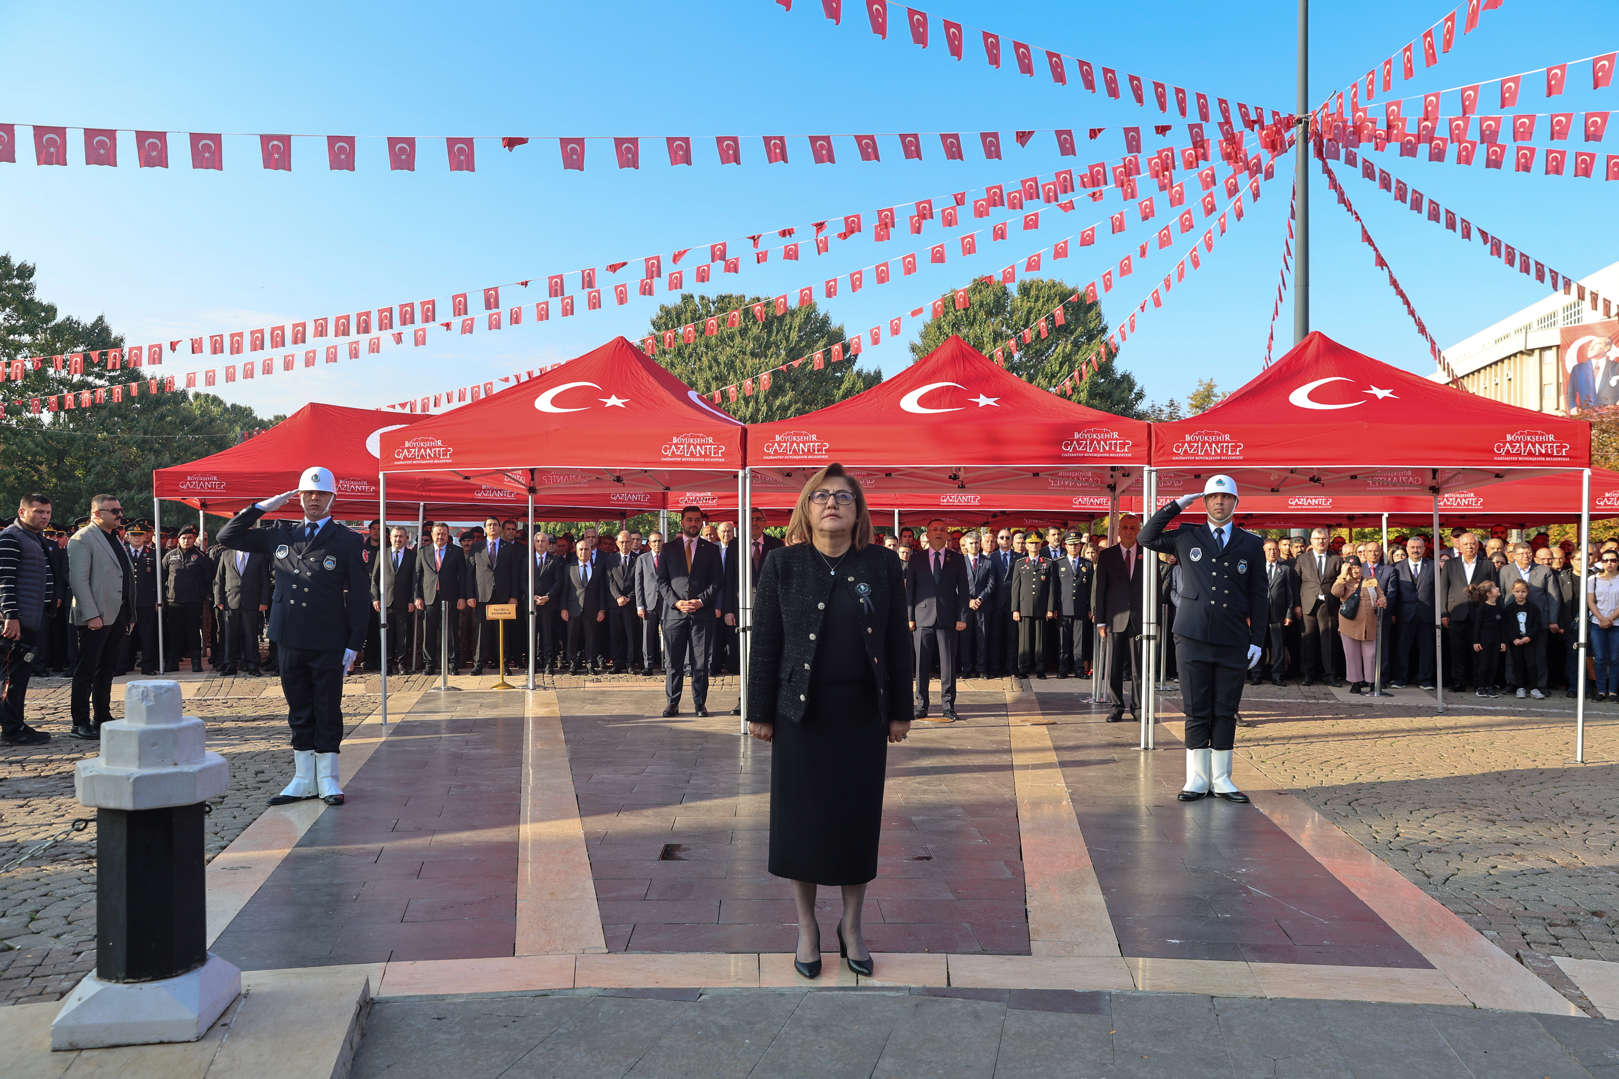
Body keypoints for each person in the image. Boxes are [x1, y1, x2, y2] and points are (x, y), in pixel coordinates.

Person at [746, 463, 911, 980]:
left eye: (843, 496)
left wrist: (901, 709)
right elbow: (766, 641)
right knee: (802, 826)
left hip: (863, 715)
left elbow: (897, 641)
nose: (832, 503)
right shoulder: (783, 564)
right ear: (806, 508)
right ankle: (807, 929)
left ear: (859, 509)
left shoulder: (882, 565)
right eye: (821, 496)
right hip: (801, 715)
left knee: (855, 823)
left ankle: (853, 926)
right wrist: (759, 712)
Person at [217, 466, 370, 807]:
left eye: (321, 494)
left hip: (328, 637)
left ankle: (328, 778)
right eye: (309, 494)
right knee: (298, 706)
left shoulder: (347, 540)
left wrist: (354, 644)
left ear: (332, 498)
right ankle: (302, 778)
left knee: (327, 707)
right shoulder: (279, 533)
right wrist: (261, 508)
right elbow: (226, 537)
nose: (315, 499)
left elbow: (360, 597)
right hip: (288, 635)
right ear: (299, 497)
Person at [1138, 476, 1265, 803]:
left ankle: (1222, 778)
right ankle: (1196, 777)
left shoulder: (1250, 544)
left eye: (1225, 497)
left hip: (1232, 637)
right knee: (1196, 708)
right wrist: (1177, 505)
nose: (1219, 502)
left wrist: (1258, 640)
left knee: (1225, 708)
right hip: (1192, 635)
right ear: (1205, 502)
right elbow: (1146, 537)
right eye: (1212, 497)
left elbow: (1259, 596)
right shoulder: (1187, 536)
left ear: (1235, 503)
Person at [66, 495, 135, 740]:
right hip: (95, 616)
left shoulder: (115, 537)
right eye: (114, 510)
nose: (119, 514)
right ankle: (80, 721)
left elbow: (124, 577)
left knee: (107, 669)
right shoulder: (83, 539)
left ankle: (102, 715)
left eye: (120, 509)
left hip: (117, 614)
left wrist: (130, 613)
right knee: (86, 669)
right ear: (96, 513)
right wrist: (91, 614)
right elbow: (78, 581)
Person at [0, 494, 56, 746]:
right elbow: (4, 581)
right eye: (38, 512)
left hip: (31, 619)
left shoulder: (33, 538)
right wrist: (10, 616)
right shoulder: (11, 538)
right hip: (16, 622)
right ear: (22, 512)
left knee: (21, 677)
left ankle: (17, 723)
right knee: (11, 677)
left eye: (47, 512)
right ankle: (12, 729)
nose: (44, 516)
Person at [659, 506, 722, 715]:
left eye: (697, 520)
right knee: (673, 662)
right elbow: (661, 581)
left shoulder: (711, 549)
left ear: (701, 522)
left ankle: (699, 703)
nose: (693, 523)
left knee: (701, 662)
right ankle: (672, 702)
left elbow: (717, 581)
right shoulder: (668, 548)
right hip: (674, 614)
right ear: (682, 522)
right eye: (689, 520)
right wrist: (676, 603)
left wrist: (701, 601)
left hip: (701, 614)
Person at [905, 518, 968, 722]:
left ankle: (948, 707)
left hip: (948, 619)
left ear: (947, 534)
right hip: (922, 619)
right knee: (921, 666)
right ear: (927, 534)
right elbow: (910, 590)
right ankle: (921, 705)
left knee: (948, 666)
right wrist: (910, 617)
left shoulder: (957, 559)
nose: (938, 532)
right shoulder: (917, 558)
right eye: (934, 529)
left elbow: (964, 591)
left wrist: (962, 617)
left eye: (942, 529)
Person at [1092, 514, 1146, 720]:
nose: (1129, 532)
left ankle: (1138, 706)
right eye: (1125, 527)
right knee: (1113, 666)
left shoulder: (1147, 553)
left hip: (1139, 619)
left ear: (1138, 530)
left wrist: (1154, 620)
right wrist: (1101, 621)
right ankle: (1116, 706)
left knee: (1138, 667)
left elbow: (1155, 588)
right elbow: (1100, 590)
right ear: (1118, 530)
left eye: (1133, 528)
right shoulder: (1108, 556)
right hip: (1114, 619)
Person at [467, 516, 520, 676]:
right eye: (489, 525)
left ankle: (504, 663)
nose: (492, 527)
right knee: (481, 632)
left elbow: (514, 574)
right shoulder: (476, 548)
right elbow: (470, 573)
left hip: (503, 596)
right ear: (484, 529)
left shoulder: (508, 548)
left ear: (500, 528)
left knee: (503, 631)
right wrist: (469, 594)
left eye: (495, 525)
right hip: (482, 595)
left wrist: (514, 596)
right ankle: (478, 664)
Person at [1440, 531, 1493, 693]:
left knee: (1478, 650)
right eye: (1466, 544)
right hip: (1457, 613)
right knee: (1457, 650)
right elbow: (1443, 589)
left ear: (1478, 546)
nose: (1469, 547)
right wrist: (1443, 613)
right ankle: (1458, 682)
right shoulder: (1450, 564)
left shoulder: (1487, 565)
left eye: (1472, 544)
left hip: (1480, 614)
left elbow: (1492, 589)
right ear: (1459, 546)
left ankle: (1478, 682)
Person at [213, 532, 271, 676]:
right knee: (229, 636)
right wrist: (218, 600)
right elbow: (219, 580)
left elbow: (265, 581)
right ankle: (229, 664)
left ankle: (252, 665)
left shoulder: (259, 557)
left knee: (251, 636)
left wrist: (264, 601)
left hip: (252, 602)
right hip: (230, 602)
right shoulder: (226, 555)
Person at [414, 522, 467, 674]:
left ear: (447, 535)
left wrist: (462, 597)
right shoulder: (423, 551)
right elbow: (417, 576)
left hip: (450, 597)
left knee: (451, 632)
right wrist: (417, 596)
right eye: (437, 533)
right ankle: (429, 664)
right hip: (429, 597)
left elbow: (462, 576)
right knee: (428, 632)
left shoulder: (456, 552)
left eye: (443, 533)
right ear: (432, 534)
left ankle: (452, 664)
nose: (440, 536)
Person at [1330, 556, 1385, 695]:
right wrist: (1343, 575)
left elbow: (1381, 595)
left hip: (1369, 624)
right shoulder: (1343, 581)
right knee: (1352, 654)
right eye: (1352, 568)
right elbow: (1335, 592)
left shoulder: (1371, 580)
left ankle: (1372, 682)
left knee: (1370, 654)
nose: (1355, 570)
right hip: (1349, 625)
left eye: (1357, 567)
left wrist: (1383, 601)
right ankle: (1355, 683)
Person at [1295, 527, 1342, 686]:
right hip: (1307, 603)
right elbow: (1296, 583)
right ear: (1311, 541)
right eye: (1317, 539)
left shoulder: (1336, 559)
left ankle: (1330, 675)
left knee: (1329, 642)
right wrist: (1296, 605)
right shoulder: (1302, 559)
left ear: (1328, 540)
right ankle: (1309, 675)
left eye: (1324, 538)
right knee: (1308, 641)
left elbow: (1340, 582)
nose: (1321, 541)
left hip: (1329, 605)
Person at [561, 528, 610, 675]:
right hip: (573, 609)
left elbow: (602, 590)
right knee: (572, 638)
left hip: (592, 609)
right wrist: (563, 608)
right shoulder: (569, 568)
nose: (584, 552)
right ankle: (572, 664)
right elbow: (565, 590)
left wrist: (602, 609)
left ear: (591, 551)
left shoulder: (598, 569)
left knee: (591, 638)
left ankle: (590, 663)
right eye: (581, 549)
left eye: (586, 549)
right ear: (576, 551)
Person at [1392, 535, 1436, 689]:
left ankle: (1425, 680)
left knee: (1426, 649)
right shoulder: (1397, 567)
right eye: (1412, 547)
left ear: (1424, 549)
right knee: (1402, 648)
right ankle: (1401, 679)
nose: (1416, 550)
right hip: (1404, 614)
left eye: (1419, 547)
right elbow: (1394, 592)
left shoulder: (1433, 566)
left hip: (1427, 614)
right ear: (1407, 549)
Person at [371, 527, 416, 675]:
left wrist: (412, 600)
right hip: (386, 602)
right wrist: (375, 598)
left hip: (404, 603)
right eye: (395, 537)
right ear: (390, 538)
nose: (398, 539)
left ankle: (402, 664)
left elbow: (414, 580)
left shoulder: (412, 555)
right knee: (387, 636)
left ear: (406, 538)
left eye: (401, 537)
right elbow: (375, 579)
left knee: (403, 636)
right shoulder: (382, 553)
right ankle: (387, 664)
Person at [1010, 533, 1054, 680]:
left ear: (1040, 544)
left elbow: (1051, 589)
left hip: (1041, 608)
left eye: (1036, 543)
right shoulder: (1020, 563)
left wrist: (1050, 608)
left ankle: (1040, 669)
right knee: (1024, 641)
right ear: (1026, 545)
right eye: (1031, 543)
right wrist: (1015, 609)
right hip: (1024, 607)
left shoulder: (1047, 563)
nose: (1034, 546)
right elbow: (1015, 588)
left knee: (1040, 641)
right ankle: (1023, 668)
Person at [119, 520, 160, 675]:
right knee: (124, 635)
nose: (136, 538)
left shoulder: (153, 554)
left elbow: (158, 579)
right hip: (126, 601)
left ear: (145, 537)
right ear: (127, 537)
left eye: (139, 535)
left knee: (147, 634)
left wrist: (157, 599)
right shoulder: (121, 553)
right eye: (133, 535)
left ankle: (148, 666)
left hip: (146, 601)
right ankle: (123, 665)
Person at [1051, 532, 1091, 679]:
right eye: (1071, 544)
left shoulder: (1087, 564)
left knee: (1079, 643)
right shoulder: (1058, 563)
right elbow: (1054, 588)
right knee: (1063, 641)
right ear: (1065, 546)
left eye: (1076, 544)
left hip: (1081, 609)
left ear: (1080, 546)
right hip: (1063, 608)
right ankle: (1063, 669)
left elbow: (1091, 589)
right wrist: (1053, 607)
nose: (1074, 547)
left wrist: (1091, 608)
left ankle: (1079, 669)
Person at [1257, 539, 1297, 687]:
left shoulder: (1285, 569)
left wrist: (1288, 614)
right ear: (1264, 551)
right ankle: (1257, 674)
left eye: (1275, 549)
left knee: (1278, 646)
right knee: (1259, 645)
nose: (1272, 552)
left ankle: (1277, 675)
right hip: (1259, 614)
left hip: (1278, 614)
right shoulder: (1257, 568)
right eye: (1269, 549)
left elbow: (1289, 594)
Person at [958, 530, 996, 678]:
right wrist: (968, 600)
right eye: (971, 543)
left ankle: (981, 668)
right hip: (965, 607)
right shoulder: (960, 562)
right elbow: (956, 585)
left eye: (976, 543)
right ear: (966, 546)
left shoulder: (988, 562)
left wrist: (980, 599)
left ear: (980, 544)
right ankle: (966, 669)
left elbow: (991, 584)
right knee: (965, 639)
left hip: (983, 606)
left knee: (982, 637)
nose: (974, 546)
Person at [1504, 579, 1548, 700]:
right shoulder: (1509, 609)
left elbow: (1537, 624)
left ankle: (1534, 688)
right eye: (1517, 591)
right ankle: (1520, 687)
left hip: (1530, 641)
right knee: (1518, 664)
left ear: (1527, 592)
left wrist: (1529, 636)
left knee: (1532, 664)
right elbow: (1507, 626)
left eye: (1523, 591)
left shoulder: (1533, 608)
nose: (1520, 594)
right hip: (1515, 642)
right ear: (1513, 592)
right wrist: (1514, 638)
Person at [606, 530, 641, 674]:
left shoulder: (638, 559)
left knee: (631, 634)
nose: (625, 544)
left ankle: (630, 663)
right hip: (616, 604)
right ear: (617, 543)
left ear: (631, 542)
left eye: (627, 541)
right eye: (622, 542)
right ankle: (617, 662)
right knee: (616, 634)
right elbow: (609, 580)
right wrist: (618, 597)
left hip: (631, 604)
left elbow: (639, 582)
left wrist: (629, 597)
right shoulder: (611, 559)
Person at [1588, 550, 1619, 701]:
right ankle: (1601, 690)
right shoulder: (1592, 579)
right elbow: (1590, 601)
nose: (1609, 563)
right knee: (1599, 658)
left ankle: (1613, 691)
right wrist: (1601, 618)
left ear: (1617, 562)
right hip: (1597, 623)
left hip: (1617, 623)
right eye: (1605, 560)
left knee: (1615, 658)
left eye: (1613, 560)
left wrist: (1610, 618)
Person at [1466, 580, 1505, 697]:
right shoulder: (1482, 608)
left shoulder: (1499, 607)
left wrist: (1503, 641)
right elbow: (1477, 626)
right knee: (1483, 664)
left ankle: (1489, 686)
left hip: (1496, 639)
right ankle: (1480, 686)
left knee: (1493, 664)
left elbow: (1502, 625)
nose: (1498, 588)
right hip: (1484, 639)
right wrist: (1476, 641)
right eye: (1494, 587)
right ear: (1488, 593)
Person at [633, 531, 664, 676]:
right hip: (649, 603)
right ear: (649, 544)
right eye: (654, 541)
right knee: (648, 636)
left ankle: (669, 664)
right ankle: (648, 665)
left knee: (669, 635)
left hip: (666, 603)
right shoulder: (642, 559)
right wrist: (640, 605)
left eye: (659, 541)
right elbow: (638, 584)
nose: (657, 544)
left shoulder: (669, 558)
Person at [988, 528, 1017, 677]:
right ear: (997, 540)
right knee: (995, 637)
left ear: (1011, 540)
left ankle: (1011, 668)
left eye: (1007, 538)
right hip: (995, 604)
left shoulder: (1019, 557)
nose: (1005, 540)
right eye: (1002, 538)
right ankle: (994, 668)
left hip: (1013, 604)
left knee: (1012, 638)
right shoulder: (991, 557)